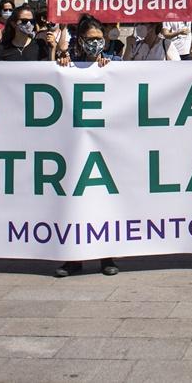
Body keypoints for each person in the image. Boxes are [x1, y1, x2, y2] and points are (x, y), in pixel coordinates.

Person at [52, 16, 121, 276]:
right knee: (75, 202)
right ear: (79, 41)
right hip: (74, 146)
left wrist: (109, 69)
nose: (95, 43)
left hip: (105, 146)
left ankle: (107, 257)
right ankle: (73, 258)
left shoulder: (114, 65)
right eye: (89, 39)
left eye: (98, 39)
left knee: (105, 201)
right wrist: (62, 66)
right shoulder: (67, 66)